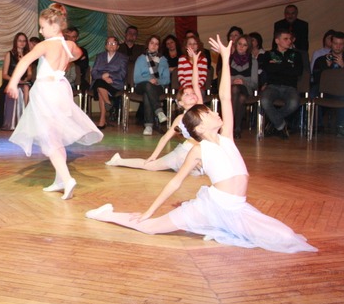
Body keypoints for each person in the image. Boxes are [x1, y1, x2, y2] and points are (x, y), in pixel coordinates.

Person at [87, 35, 317, 254]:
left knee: (286, 237)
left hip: (237, 210)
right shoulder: (198, 149)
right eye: (209, 114)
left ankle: (219, 228)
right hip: (210, 208)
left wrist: (225, 58)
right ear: (199, 128)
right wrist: (149, 211)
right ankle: (104, 214)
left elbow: (225, 97)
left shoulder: (227, 136)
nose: (215, 112)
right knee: (150, 227)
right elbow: (175, 182)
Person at [6, 7, 103, 200]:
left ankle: (67, 179)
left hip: (46, 91)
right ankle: (60, 180)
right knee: (55, 137)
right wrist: (65, 60)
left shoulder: (45, 45)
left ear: (54, 26)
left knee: (49, 139)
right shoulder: (69, 45)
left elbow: (24, 61)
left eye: (42, 27)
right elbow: (78, 55)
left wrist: (12, 83)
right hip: (61, 89)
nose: (40, 31)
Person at [106, 46, 204, 172]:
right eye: (187, 94)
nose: (192, 95)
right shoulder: (181, 118)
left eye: (193, 93)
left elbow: (195, 83)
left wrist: (194, 62)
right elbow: (165, 138)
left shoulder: (200, 108)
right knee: (151, 165)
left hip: (203, 151)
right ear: (180, 103)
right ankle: (118, 161)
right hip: (185, 152)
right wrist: (154, 156)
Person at [312, 31, 344, 135]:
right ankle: (317, 125)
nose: (338, 47)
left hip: (343, 91)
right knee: (313, 92)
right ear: (331, 43)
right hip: (325, 91)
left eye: (341, 44)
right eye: (335, 43)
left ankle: (342, 127)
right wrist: (327, 68)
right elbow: (316, 79)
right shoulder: (321, 60)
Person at [260, 28, 303, 139]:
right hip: (272, 86)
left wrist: (277, 66)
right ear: (277, 41)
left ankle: (273, 123)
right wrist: (288, 66)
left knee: (294, 102)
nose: (289, 41)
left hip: (290, 87)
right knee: (265, 100)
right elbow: (268, 69)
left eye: (290, 39)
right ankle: (281, 125)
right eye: (285, 39)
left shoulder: (296, 55)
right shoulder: (269, 54)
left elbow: (298, 72)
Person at [0, 32, 33, 130]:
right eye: (20, 41)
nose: (22, 43)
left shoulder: (28, 55)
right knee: (11, 90)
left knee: (28, 87)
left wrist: (25, 79)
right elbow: (4, 74)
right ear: (15, 42)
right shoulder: (9, 54)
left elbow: (29, 74)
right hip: (10, 81)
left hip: (23, 82)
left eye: (24, 41)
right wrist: (15, 80)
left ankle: (25, 119)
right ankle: (10, 122)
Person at [133, 35, 170, 135]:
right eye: (152, 43)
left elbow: (167, 79)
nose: (154, 45)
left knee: (147, 94)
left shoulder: (163, 60)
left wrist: (157, 81)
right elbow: (136, 78)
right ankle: (159, 111)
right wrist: (149, 79)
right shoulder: (141, 58)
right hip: (141, 85)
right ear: (148, 44)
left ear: (159, 46)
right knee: (147, 86)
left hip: (157, 86)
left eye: (156, 44)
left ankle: (148, 126)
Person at [91, 36, 128, 129]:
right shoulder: (100, 56)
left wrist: (109, 75)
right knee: (100, 83)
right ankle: (108, 104)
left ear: (118, 46)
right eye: (109, 43)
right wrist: (102, 77)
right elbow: (94, 72)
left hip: (114, 83)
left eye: (114, 43)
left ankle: (102, 120)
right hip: (100, 81)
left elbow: (122, 74)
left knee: (99, 88)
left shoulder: (122, 57)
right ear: (105, 46)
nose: (111, 45)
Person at [224, 35, 258, 139]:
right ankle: (237, 128)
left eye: (245, 45)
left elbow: (255, 84)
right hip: (230, 88)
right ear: (235, 44)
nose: (241, 47)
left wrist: (243, 82)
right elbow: (223, 79)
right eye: (239, 44)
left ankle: (228, 126)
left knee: (237, 90)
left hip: (246, 88)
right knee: (239, 96)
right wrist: (232, 81)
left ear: (248, 47)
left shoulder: (253, 61)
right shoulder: (228, 59)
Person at [64, 26, 89, 90]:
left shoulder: (82, 51)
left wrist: (71, 63)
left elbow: (84, 66)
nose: (70, 39)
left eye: (73, 37)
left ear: (77, 38)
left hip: (79, 78)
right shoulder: (61, 50)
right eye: (68, 36)